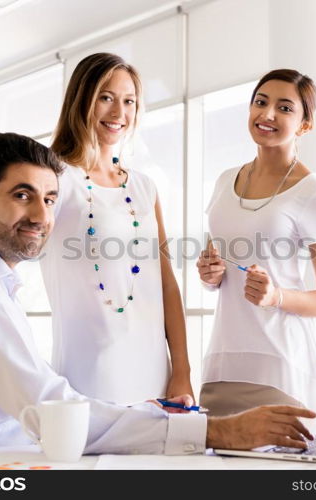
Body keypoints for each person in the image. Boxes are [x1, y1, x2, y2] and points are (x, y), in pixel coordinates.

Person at [0, 132, 316, 454]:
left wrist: (148, 412)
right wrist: (219, 430)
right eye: (23, 196)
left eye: (51, 199)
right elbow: (52, 412)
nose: (41, 215)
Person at [41, 53, 192, 405]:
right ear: (82, 100)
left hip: (154, 369)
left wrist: (182, 371)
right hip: (90, 372)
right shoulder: (54, 179)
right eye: (106, 98)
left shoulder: (145, 186)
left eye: (129, 101)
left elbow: (166, 281)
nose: (118, 112)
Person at [196, 69, 316, 418]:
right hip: (223, 357)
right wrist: (210, 274)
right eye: (260, 102)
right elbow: (221, 275)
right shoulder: (224, 181)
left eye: (285, 108)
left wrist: (277, 297)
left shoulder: (312, 191)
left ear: (305, 125)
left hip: (282, 360)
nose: (268, 114)